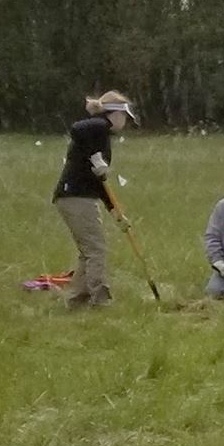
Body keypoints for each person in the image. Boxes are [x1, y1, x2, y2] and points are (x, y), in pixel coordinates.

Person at [51, 90, 139, 308]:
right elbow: (76, 129)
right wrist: (94, 156)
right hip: (75, 197)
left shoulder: (102, 135)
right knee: (96, 249)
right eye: (124, 117)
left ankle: (78, 298)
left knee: (88, 251)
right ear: (115, 114)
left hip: (80, 196)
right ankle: (98, 298)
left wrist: (115, 211)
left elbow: (100, 182)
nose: (125, 122)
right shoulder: (99, 126)